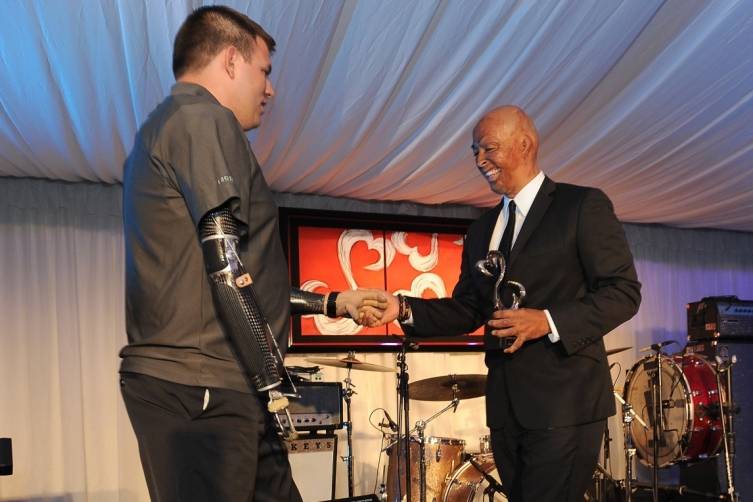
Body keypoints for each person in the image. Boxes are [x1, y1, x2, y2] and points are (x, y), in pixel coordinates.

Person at [120, 6, 385, 501]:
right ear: (230, 60)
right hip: (205, 387)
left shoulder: (171, 124)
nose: (271, 89)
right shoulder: (202, 118)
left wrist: (330, 303)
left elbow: (232, 275)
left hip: (216, 383)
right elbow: (225, 265)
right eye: (264, 71)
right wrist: (272, 382)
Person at [368, 106, 641, 501]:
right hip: (506, 411)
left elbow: (623, 292)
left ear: (525, 144)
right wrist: (403, 308)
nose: (480, 160)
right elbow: (468, 308)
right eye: (475, 151)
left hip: (566, 404)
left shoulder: (582, 206)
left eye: (488, 148)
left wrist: (547, 321)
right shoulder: (481, 229)